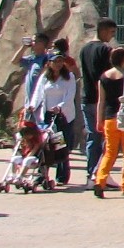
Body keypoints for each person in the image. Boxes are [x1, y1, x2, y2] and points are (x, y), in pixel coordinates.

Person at [93, 47, 124, 198]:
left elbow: (101, 101)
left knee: (110, 152)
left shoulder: (104, 77)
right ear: (122, 59)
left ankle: (100, 181)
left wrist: (99, 120)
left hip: (110, 118)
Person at [27, 56, 78, 184]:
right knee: (44, 144)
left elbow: (70, 95)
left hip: (62, 117)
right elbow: (38, 93)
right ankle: (42, 173)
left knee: (59, 145)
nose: (58, 64)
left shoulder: (69, 77)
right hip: (47, 116)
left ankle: (62, 176)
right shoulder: (45, 77)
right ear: (49, 63)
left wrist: (60, 107)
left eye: (60, 61)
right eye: (55, 61)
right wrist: (33, 105)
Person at [79, 19, 117, 180]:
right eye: (111, 32)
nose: (111, 36)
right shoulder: (105, 50)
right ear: (102, 30)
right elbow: (107, 76)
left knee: (92, 136)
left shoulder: (84, 49)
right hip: (102, 100)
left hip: (86, 98)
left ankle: (91, 172)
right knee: (106, 138)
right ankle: (99, 173)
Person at [14, 32, 53, 107]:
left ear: (41, 44)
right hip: (29, 103)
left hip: (41, 103)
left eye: (34, 41)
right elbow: (14, 61)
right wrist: (24, 47)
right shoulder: (31, 58)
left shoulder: (47, 59)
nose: (31, 43)